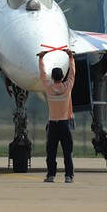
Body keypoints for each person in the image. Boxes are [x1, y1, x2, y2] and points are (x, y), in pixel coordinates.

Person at [38, 48, 76, 183]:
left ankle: (51, 175)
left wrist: (41, 59)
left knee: (51, 153)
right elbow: (72, 73)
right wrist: (71, 57)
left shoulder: (48, 88)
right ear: (62, 76)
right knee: (67, 152)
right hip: (65, 125)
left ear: (52, 77)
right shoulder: (67, 87)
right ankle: (68, 176)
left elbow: (43, 74)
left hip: (53, 124)